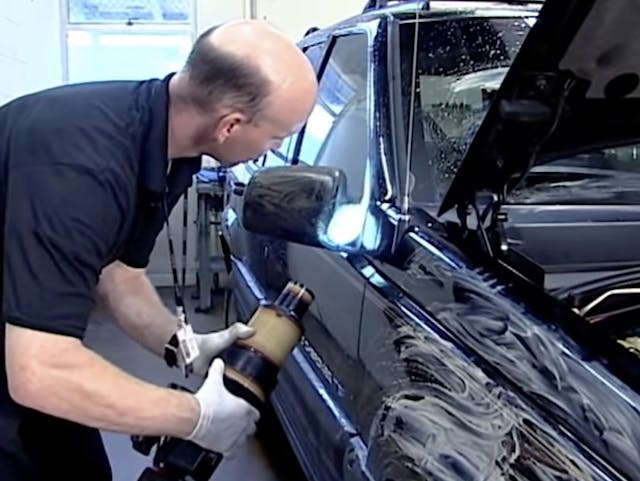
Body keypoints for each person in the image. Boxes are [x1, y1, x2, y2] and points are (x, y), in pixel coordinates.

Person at [0, 18, 318, 481]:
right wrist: (196, 417)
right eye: (278, 136)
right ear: (230, 125)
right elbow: (40, 371)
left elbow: (118, 276)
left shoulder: (168, 145)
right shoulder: (83, 167)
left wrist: (184, 346)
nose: (274, 148)